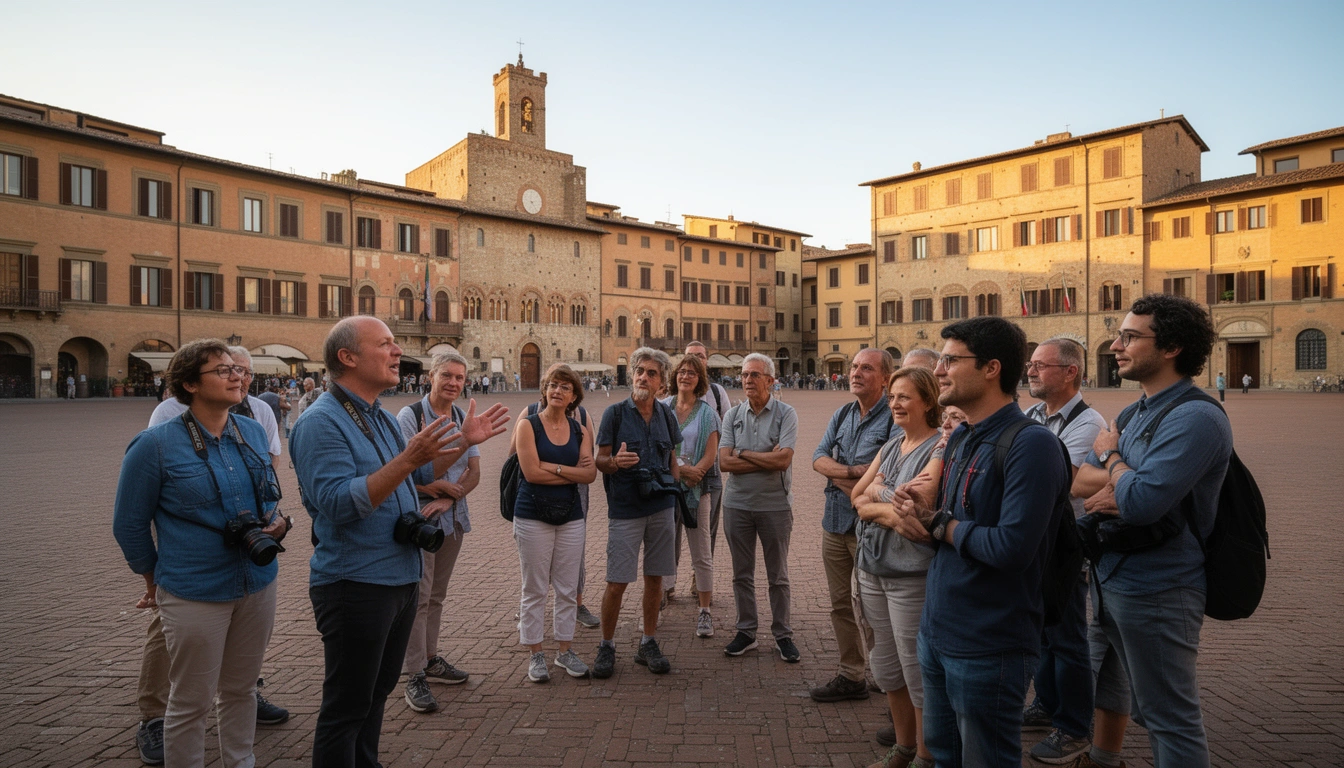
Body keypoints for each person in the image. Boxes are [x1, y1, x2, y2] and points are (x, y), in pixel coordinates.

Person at [290, 317, 508, 767]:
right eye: (385, 344)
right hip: (356, 584)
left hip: (398, 579)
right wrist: (410, 457)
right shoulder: (320, 423)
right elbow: (337, 503)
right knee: (346, 707)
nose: (396, 352)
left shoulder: (381, 418)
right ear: (347, 358)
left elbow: (420, 474)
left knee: (374, 697)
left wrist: (461, 442)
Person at [900, 317, 1069, 768]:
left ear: (992, 368)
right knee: (942, 755)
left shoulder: (1031, 445)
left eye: (950, 360)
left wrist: (940, 525)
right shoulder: (961, 439)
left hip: (989, 642)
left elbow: (1013, 547)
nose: (938, 370)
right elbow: (950, 527)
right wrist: (915, 516)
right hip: (938, 631)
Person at [113, 339, 290, 767]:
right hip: (193, 587)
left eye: (239, 370)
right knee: (190, 701)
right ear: (190, 383)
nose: (237, 376)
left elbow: (267, 495)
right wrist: (154, 579)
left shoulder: (250, 431)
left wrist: (277, 520)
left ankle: (240, 761)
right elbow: (129, 525)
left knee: (241, 689)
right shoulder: (154, 445)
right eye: (223, 370)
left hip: (257, 581)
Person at [1072, 295, 1230, 768]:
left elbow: (1140, 502)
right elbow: (1080, 482)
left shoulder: (1196, 417)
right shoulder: (1138, 410)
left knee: (1170, 718)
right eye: (1119, 335)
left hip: (1161, 587)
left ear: (1172, 347)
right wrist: (1125, 478)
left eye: (1130, 337)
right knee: (1147, 708)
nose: (1116, 346)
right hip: (1113, 578)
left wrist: (1114, 459)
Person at [849, 366, 944, 768]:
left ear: (928, 400)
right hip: (871, 570)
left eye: (904, 397)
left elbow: (918, 505)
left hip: (910, 576)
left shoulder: (941, 446)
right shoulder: (890, 446)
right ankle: (903, 747)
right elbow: (857, 495)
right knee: (886, 667)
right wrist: (888, 510)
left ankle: (925, 753)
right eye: (892, 398)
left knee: (915, 667)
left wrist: (878, 493)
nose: (895, 404)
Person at [1020, 338, 1108, 764]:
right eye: (1030, 364)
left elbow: (1067, 479)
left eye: (1040, 365)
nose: (1030, 371)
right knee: (1041, 632)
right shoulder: (1033, 414)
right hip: (1038, 541)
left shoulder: (1088, 422)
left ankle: (1074, 727)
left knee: (1069, 638)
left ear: (1070, 371)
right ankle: (1047, 704)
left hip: (1066, 547)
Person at [809, 349, 895, 704]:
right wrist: (853, 473)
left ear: (886, 379)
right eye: (854, 367)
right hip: (834, 524)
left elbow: (886, 481)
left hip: (870, 529)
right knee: (840, 604)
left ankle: (886, 676)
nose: (856, 373)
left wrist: (841, 475)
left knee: (876, 608)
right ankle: (851, 673)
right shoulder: (842, 413)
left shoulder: (894, 419)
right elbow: (817, 458)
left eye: (866, 368)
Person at [397, 353, 479, 713]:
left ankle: (431, 659)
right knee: (419, 595)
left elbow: (474, 472)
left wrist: (447, 498)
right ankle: (413, 673)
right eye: (446, 374)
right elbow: (408, 472)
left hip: (451, 516)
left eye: (459, 377)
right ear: (430, 376)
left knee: (437, 595)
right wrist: (437, 489)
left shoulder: (463, 417)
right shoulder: (410, 417)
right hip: (421, 521)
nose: (453, 382)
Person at [592, 347, 682, 678]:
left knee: (655, 578)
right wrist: (615, 462)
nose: (644, 377)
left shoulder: (666, 415)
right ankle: (607, 644)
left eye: (652, 373)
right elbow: (598, 460)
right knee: (617, 581)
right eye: (639, 371)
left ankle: (648, 642)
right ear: (632, 374)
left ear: (662, 381)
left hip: (661, 506)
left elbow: (672, 455)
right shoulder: (614, 414)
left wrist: (675, 489)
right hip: (626, 508)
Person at [512, 364, 597, 682]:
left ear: (574, 395)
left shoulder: (580, 431)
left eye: (565, 386)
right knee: (534, 588)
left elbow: (589, 475)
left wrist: (554, 468)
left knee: (566, 587)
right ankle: (536, 655)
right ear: (545, 390)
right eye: (553, 385)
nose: (558, 390)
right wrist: (567, 469)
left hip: (571, 516)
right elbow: (530, 473)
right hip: (532, 515)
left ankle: (564, 651)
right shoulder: (527, 426)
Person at [718, 353, 800, 662]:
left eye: (754, 375)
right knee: (742, 573)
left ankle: (782, 634)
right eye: (744, 375)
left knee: (777, 575)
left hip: (774, 505)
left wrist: (743, 453)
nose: (748, 380)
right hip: (737, 505)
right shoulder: (733, 415)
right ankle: (746, 631)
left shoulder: (786, 413)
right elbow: (724, 463)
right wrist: (762, 456)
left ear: (770, 380)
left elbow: (783, 460)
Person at [660, 354, 721, 637]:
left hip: (698, 491)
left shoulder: (708, 413)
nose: (685, 376)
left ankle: (705, 611)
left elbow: (711, 453)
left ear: (700, 380)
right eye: (682, 372)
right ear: (674, 377)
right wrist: (683, 471)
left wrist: (696, 472)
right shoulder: (661, 409)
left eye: (692, 373)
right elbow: (658, 448)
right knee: (661, 550)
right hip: (665, 491)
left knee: (702, 554)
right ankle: (658, 600)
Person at [673, 341, 732, 598]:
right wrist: (683, 470)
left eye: (699, 358)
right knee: (669, 534)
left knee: (706, 534)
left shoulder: (717, 395)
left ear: (705, 362)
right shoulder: (667, 401)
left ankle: (700, 582)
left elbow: (727, 431)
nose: (690, 370)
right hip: (675, 478)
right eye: (688, 360)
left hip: (709, 477)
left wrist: (699, 469)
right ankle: (668, 584)